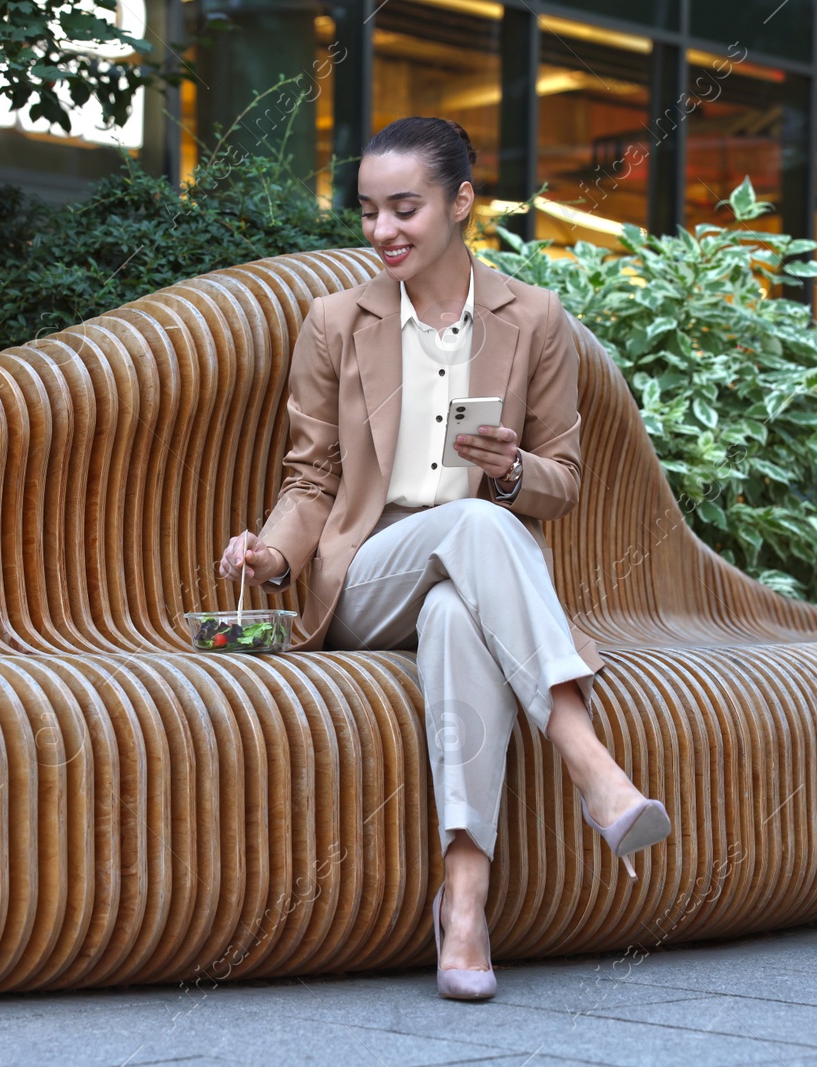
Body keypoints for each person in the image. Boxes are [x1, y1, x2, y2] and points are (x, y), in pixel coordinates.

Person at [215, 116, 670, 1001]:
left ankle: (464, 900)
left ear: (462, 202)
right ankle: (591, 764)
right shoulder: (335, 323)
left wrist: (508, 471)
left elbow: (563, 483)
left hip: (473, 576)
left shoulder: (533, 318)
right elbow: (311, 479)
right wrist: (272, 554)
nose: (382, 230)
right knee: (475, 529)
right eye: (369, 210)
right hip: (367, 578)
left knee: (460, 607)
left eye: (404, 208)